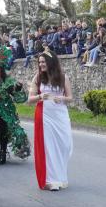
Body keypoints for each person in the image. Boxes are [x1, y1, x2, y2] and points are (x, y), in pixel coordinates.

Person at [28, 52, 73, 191]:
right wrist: (40, 96)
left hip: (60, 115)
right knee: (49, 147)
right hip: (44, 114)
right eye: (40, 62)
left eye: (43, 62)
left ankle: (61, 177)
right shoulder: (38, 78)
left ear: (51, 62)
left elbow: (70, 97)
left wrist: (62, 99)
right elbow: (30, 99)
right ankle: (51, 180)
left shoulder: (63, 77)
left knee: (64, 145)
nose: (41, 64)